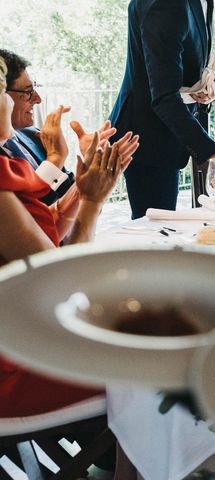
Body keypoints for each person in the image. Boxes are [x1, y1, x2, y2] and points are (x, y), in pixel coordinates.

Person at [0, 57, 140, 417]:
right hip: (20, 360)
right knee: (149, 354)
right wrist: (94, 200)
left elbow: (44, 226)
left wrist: (85, 183)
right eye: (5, 91)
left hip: (22, 331)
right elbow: (61, 279)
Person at [109, 0, 215, 219]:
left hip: (171, 132)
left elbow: (179, 55)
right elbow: (163, 97)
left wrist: (202, 85)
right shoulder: (164, 4)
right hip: (147, 137)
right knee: (155, 231)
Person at [0, 49, 115, 207]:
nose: (38, 99)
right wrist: (55, 158)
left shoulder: (34, 136)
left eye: (35, 89)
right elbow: (29, 217)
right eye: (27, 92)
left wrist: (90, 164)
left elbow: (80, 209)